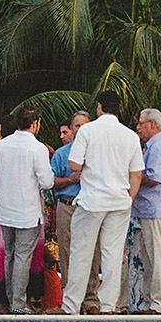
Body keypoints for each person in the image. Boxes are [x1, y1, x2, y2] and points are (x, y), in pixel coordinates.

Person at [58, 91, 144, 316]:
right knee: (113, 255)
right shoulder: (130, 136)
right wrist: (129, 199)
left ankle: (71, 306)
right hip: (119, 201)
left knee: (81, 253)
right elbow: (136, 173)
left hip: (92, 200)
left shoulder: (87, 130)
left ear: (99, 107)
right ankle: (108, 307)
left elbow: (74, 164)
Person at [0, 104, 54, 315]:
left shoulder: (1, 146)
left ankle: (10, 298)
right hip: (27, 211)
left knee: (10, 255)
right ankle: (18, 302)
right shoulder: (37, 148)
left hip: (6, 210)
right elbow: (47, 181)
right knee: (23, 256)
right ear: (35, 123)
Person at [131, 108, 161, 316]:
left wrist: (133, 173)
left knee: (156, 256)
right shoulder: (158, 145)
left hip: (154, 207)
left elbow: (154, 177)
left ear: (152, 124)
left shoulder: (158, 147)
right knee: (151, 257)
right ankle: (153, 302)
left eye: (141, 123)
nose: (138, 127)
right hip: (154, 207)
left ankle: (160, 304)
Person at [48, 111, 91, 298]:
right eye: (77, 125)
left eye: (84, 125)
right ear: (72, 128)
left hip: (90, 207)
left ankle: (91, 296)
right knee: (65, 250)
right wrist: (71, 179)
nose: (80, 129)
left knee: (91, 250)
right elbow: (51, 181)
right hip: (66, 205)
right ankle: (68, 294)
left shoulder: (97, 151)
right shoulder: (61, 153)